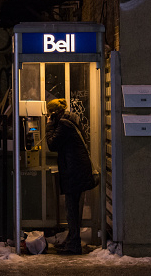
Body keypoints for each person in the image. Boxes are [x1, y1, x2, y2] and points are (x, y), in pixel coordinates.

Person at [45, 98, 95, 255]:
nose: (48, 116)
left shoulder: (63, 124)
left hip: (74, 171)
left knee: (71, 208)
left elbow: (52, 144)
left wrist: (48, 125)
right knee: (72, 207)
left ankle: (74, 244)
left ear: (54, 113)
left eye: (49, 113)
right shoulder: (70, 120)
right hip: (76, 169)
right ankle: (71, 240)